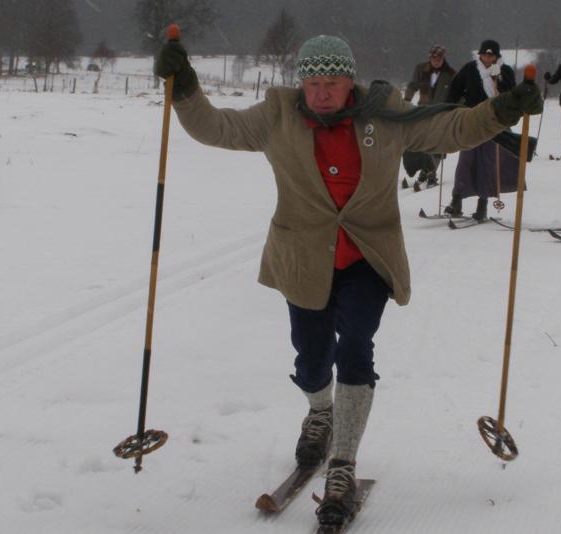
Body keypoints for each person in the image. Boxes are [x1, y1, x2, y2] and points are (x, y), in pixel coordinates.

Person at [154, 34, 541, 528]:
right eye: (312, 83)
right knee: (311, 358)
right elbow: (216, 127)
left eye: (331, 83)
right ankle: (320, 411)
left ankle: (343, 464)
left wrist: (503, 109)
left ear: (349, 81)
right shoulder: (278, 115)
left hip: (367, 256)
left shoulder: (386, 113)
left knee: (355, 344)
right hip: (302, 258)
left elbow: (452, 128)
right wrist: (184, 85)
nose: (321, 93)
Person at [444, 39, 520, 221]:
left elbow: (512, 96)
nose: (487, 58)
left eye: (491, 55)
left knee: (487, 162)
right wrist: (448, 109)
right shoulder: (470, 69)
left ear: (496, 56)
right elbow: (455, 90)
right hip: (471, 120)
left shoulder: (505, 71)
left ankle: (483, 204)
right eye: (485, 55)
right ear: (480, 55)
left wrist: (497, 80)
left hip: (493, 122)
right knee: (466, 159)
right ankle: (456, 200)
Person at [402, 45, 456, 190]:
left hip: (441, 113)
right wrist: (406, 101)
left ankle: (432, 172)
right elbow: (412, 85)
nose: (436, 61)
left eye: (439, 59)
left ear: (443, 59)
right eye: (433, 58)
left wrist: (454, 108)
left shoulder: (450, 74)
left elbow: (456, 93)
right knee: (421, 142)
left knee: (438, 144)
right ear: (429, 58)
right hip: (423, 111)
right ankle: (424, 170)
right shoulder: (421, 69)